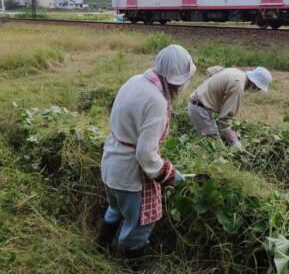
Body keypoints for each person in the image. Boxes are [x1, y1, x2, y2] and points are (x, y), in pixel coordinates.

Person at [97, 44, 196, 261]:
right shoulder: (156, 101)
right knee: (140, 225)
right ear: (178, 81)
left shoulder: (135, 80)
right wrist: (170, 175)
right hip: (129, 176)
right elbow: (146, 155)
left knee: (115, 209)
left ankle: (100, 249)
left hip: (110, 162)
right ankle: (130, 264)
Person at [188, 66, 272, 148]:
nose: (258, 90)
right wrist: (234, 141)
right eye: (259, 88)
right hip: (200, 110)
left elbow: (211, 70)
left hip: (198, 106)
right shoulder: (238, 87)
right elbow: (224, 121)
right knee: (216, 148)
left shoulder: (235, 72)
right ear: (255, 84)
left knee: (216, 141)